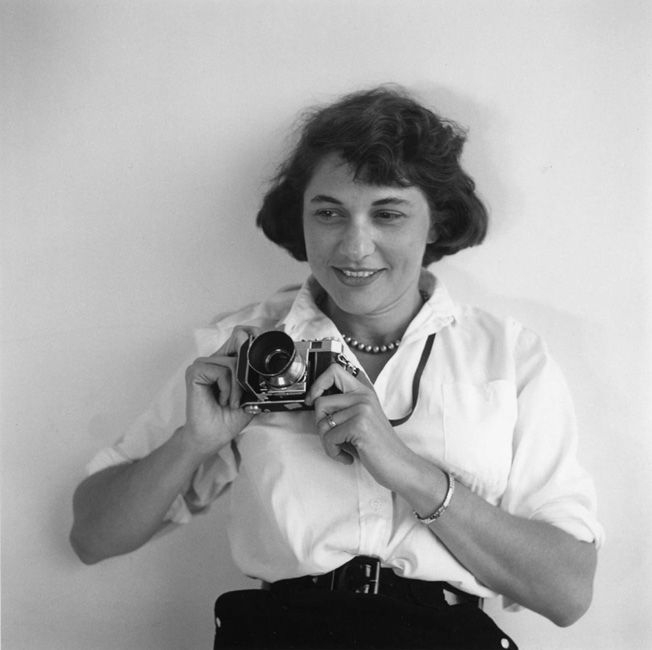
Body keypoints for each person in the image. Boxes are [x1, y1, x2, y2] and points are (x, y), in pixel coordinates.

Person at [70, 86, 603, 649]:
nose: (354, 246)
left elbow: (567, 593)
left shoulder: (508, 357)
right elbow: (92, 537)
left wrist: (405, 469)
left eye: (388, 214)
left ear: (436, 222)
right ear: (300, 218)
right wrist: (194, 442)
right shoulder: (244, 345)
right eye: (329, 213)